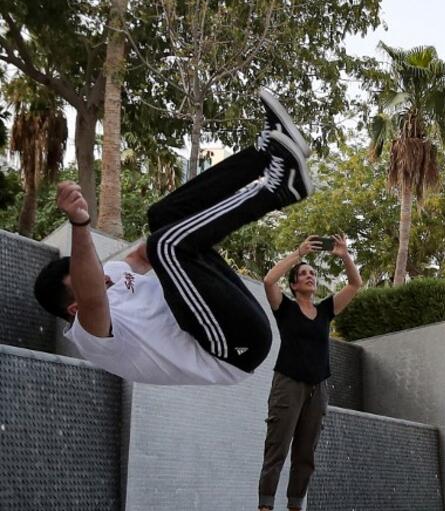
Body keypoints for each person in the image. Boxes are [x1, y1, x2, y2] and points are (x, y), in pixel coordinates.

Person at [33, 89, 313, 385]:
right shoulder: (90, 335)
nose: (106, 278)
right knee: (165, 245)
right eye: (97, 280)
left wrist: (183, 219)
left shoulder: (111, 275)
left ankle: (266, 154)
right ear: (74, 309)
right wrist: (80, 223)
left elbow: (142, 255)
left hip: (229, 317)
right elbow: (93, 296)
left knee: (161, 219)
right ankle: (278, 191)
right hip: (234, 349)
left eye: (102, 274)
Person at [254, 235, 362, 511]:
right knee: (277, 449)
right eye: (303, 274)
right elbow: (268, 280)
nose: (310, 275)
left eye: (312, 273)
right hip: (288, 383)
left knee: (305, 454)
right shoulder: (284, 308)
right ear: (294, 285)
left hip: (318, 387)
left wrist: (344, 256)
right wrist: (298, 253)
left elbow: (355, 285)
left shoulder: (326, 311)